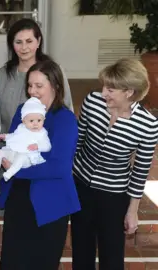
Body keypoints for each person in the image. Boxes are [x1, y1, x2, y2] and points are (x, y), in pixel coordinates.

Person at [71, 58, 158, 270]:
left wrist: (132, 211)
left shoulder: (148, 124)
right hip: (81, 185)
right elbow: (78, 142)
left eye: (110, 89)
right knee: (81, 251)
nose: (103, 93)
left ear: (129, 92)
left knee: (112, 256)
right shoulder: (92, 101)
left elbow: (140, 171)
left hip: (113, 195)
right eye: (104, 86)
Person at [0, 60, 81, 270]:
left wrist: (17, 169)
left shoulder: (65, 119)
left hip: (50, 204)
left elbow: (59, 168)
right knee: (12, 263)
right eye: (30, 85)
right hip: (20, 200)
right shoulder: (22, 110)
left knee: (41, 263)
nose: (32, 91)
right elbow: (13, 144)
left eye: (39, 86)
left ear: (55, 86)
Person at [0, 18, 74, 134]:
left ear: (38, 41)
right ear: (12, 44)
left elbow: (66, 106)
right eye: (18, 42)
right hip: (9, 143)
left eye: (29, 41)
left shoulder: (54, 70)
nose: (24, 47)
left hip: (43, 143)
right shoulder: (1, 75)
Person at [0, 97, 51, 180]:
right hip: (13, 152)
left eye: (39, 120)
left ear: (43, 119)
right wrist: (5, 137)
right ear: (24, 121)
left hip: (27, 157)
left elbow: (47, 145)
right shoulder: (21, 127)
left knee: (21, 157)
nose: (35, 124)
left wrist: (38, 146)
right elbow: (14, 136)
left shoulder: (42, 133)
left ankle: (9, 173)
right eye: (31, 121)